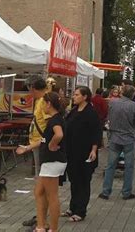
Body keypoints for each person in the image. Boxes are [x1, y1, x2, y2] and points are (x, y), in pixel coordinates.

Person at [17, 92, 66, 232]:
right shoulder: (54, 119)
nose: (41, 106)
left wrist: (52, 145)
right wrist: (27, 147)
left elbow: (59, 134)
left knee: (52, 196)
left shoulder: (55, 120)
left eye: (43, 103)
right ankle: (41, 225)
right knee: (39, 192)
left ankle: (52, 229)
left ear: (49, 104)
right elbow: (43, 140)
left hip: (53, 161)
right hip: (50, 161)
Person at [64, 86, 101, 222]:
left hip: (85, 152)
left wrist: (94, 149)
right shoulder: (73, 111)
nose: (74, 97)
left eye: (77, 94)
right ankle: (72, 207)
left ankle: (80, 211)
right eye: (74, 94)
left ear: (85, 97)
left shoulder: (90, 113)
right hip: (72, 152)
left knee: (83, 182)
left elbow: (96, 132)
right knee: (74, 180)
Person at [99, 85, 135, 200]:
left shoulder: (113, 103)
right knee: (129, 166)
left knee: (110, 165)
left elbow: (109, 116)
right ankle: (126, 192)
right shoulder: (134, 106)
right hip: (128, 138)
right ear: (133, 95)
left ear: (122, 93)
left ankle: (105, 191)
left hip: (114, 137)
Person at [22, 77, 49, 228]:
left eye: (29, 89)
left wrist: (42, 142)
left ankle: (42, 220)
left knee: (42, 185)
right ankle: (39, 215)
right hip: (37, 144)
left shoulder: (45, 101)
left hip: (41, 145)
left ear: (33, 88)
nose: (29, 92)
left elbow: (52, 126)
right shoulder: (40, 100)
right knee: (40, 183)